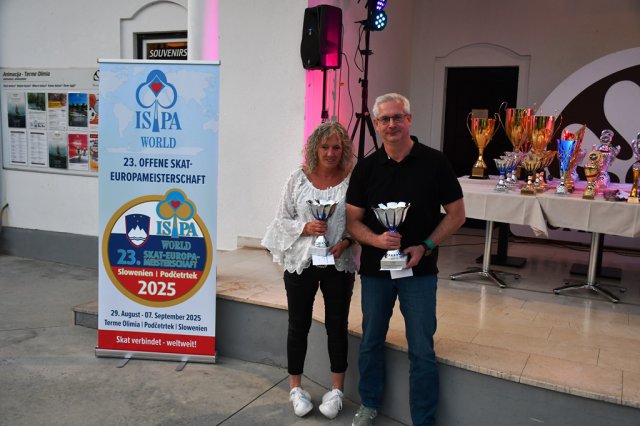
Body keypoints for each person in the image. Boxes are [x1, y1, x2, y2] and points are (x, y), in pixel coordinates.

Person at [346, 93, 466, 426]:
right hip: (376, 271)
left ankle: (423, 419)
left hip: (420, 270)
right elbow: (352, 221)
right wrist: (376, 240)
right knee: (371, 341)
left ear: (409, 119)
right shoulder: (366, 168)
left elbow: (457, 215)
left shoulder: (435, 162)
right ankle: (369, 404)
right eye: (384, 119)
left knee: (422, 350)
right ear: (376, 124)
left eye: (397, 117)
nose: (391, 124)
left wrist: (425, 245)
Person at [261, 121, 356, 420]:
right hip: (301, 263)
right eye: (325, 147)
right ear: (315, 148)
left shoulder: (352, 180)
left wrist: (347, 241)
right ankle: (295, 388)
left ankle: (337, 391)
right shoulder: (297, 178)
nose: (330, 153)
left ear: (344, 150)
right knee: (297, 325)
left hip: (338, 262)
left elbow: (359, 221)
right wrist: (306, 227)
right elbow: (281, 220)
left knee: (337, 325)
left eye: (336, 147)